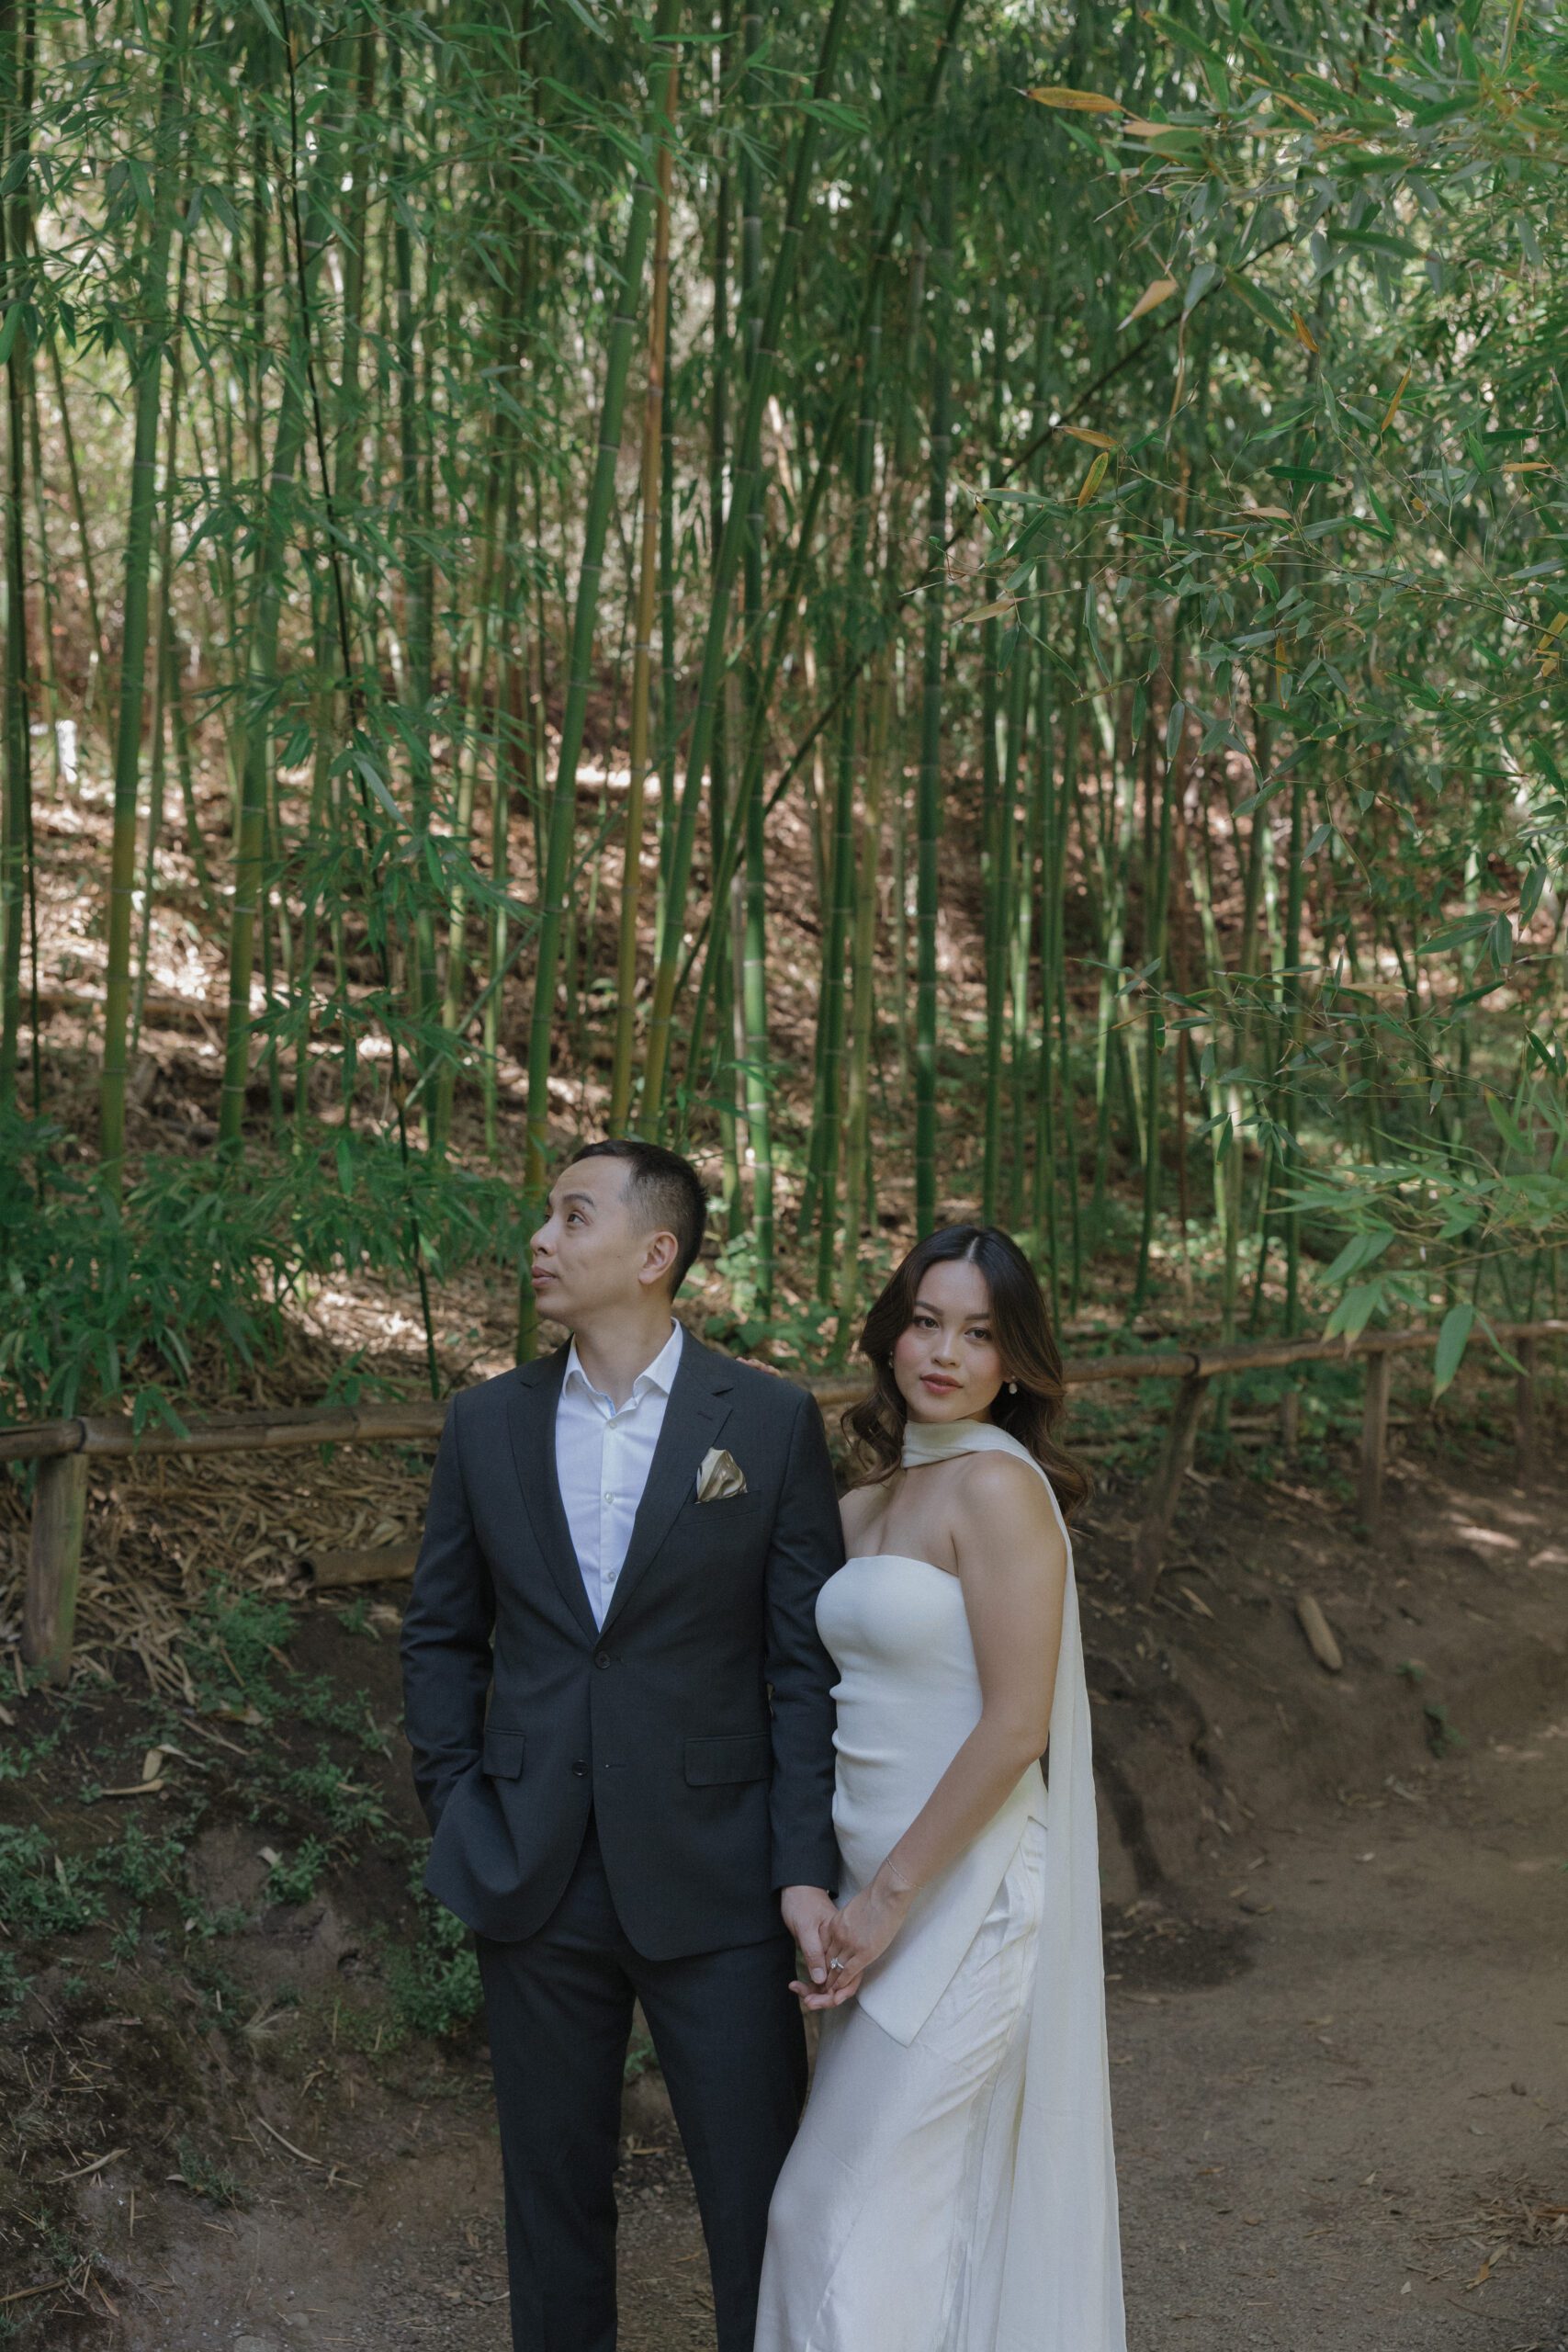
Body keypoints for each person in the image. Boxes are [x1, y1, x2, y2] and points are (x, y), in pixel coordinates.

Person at [399, 1137, 844, 2352]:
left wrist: (799, 1860)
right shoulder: (484, 1422)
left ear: (655, 1253)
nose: (540, 1240)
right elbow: (440, 1635)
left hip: (719, 1871)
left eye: (570, 1216)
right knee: (549, 2202)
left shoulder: (763, 1420)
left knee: (758, 2202)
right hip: (532, 1866)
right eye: (544, 1216)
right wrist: (458, 1802)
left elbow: (803, 1665)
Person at [753, 1223, 1127, 2352]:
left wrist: (887, 1901)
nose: (944, 1352)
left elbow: (1016, 1726)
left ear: (1014, 1361)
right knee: (905, 2217)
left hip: (965, 1903)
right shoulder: (866, 1504)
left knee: (823, 2209)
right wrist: (820, 1888)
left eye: (979, 1332)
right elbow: (818, 1707)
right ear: (892, 1330)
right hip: (870, 1903)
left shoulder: (999, 1495)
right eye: (926, 1320)